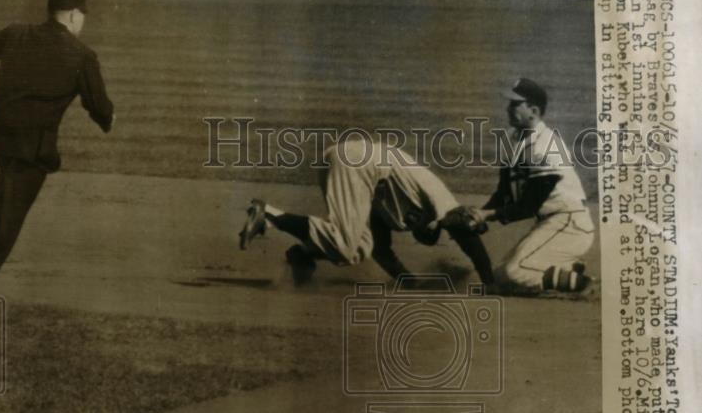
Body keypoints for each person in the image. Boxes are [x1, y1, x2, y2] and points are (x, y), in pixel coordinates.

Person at [0, 0, 114, 291]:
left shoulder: (17, 35)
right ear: (74, 15)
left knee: (0, 200)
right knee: (10, 212)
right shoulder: (82, 55)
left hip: (3, 138)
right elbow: (98, 105)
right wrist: (108, 118)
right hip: (34, 146)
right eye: (82, 16)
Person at [239, 134, 494, 288]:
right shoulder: (441, 202)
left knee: (361, 246)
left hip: (352, 165)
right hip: (358, 163)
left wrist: (406, 280)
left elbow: (381, 250)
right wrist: (488, 279)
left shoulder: (393, 208)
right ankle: (269, 214)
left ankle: (305, 253)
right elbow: (467, 233)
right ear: (438, 223)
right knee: (344, 243)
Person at [470, 77, 595, 298]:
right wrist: (478, 215)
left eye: (515, 104)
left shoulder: (547, 146)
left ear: (533, 110)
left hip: (570, 224)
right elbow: (504, 193)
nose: (508, 109)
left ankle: (580, 282)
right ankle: (564, 266)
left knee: (515, 273)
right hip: (551, 223)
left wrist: (487, 215)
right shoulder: (513, 138)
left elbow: (529, 205)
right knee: (499, 277)